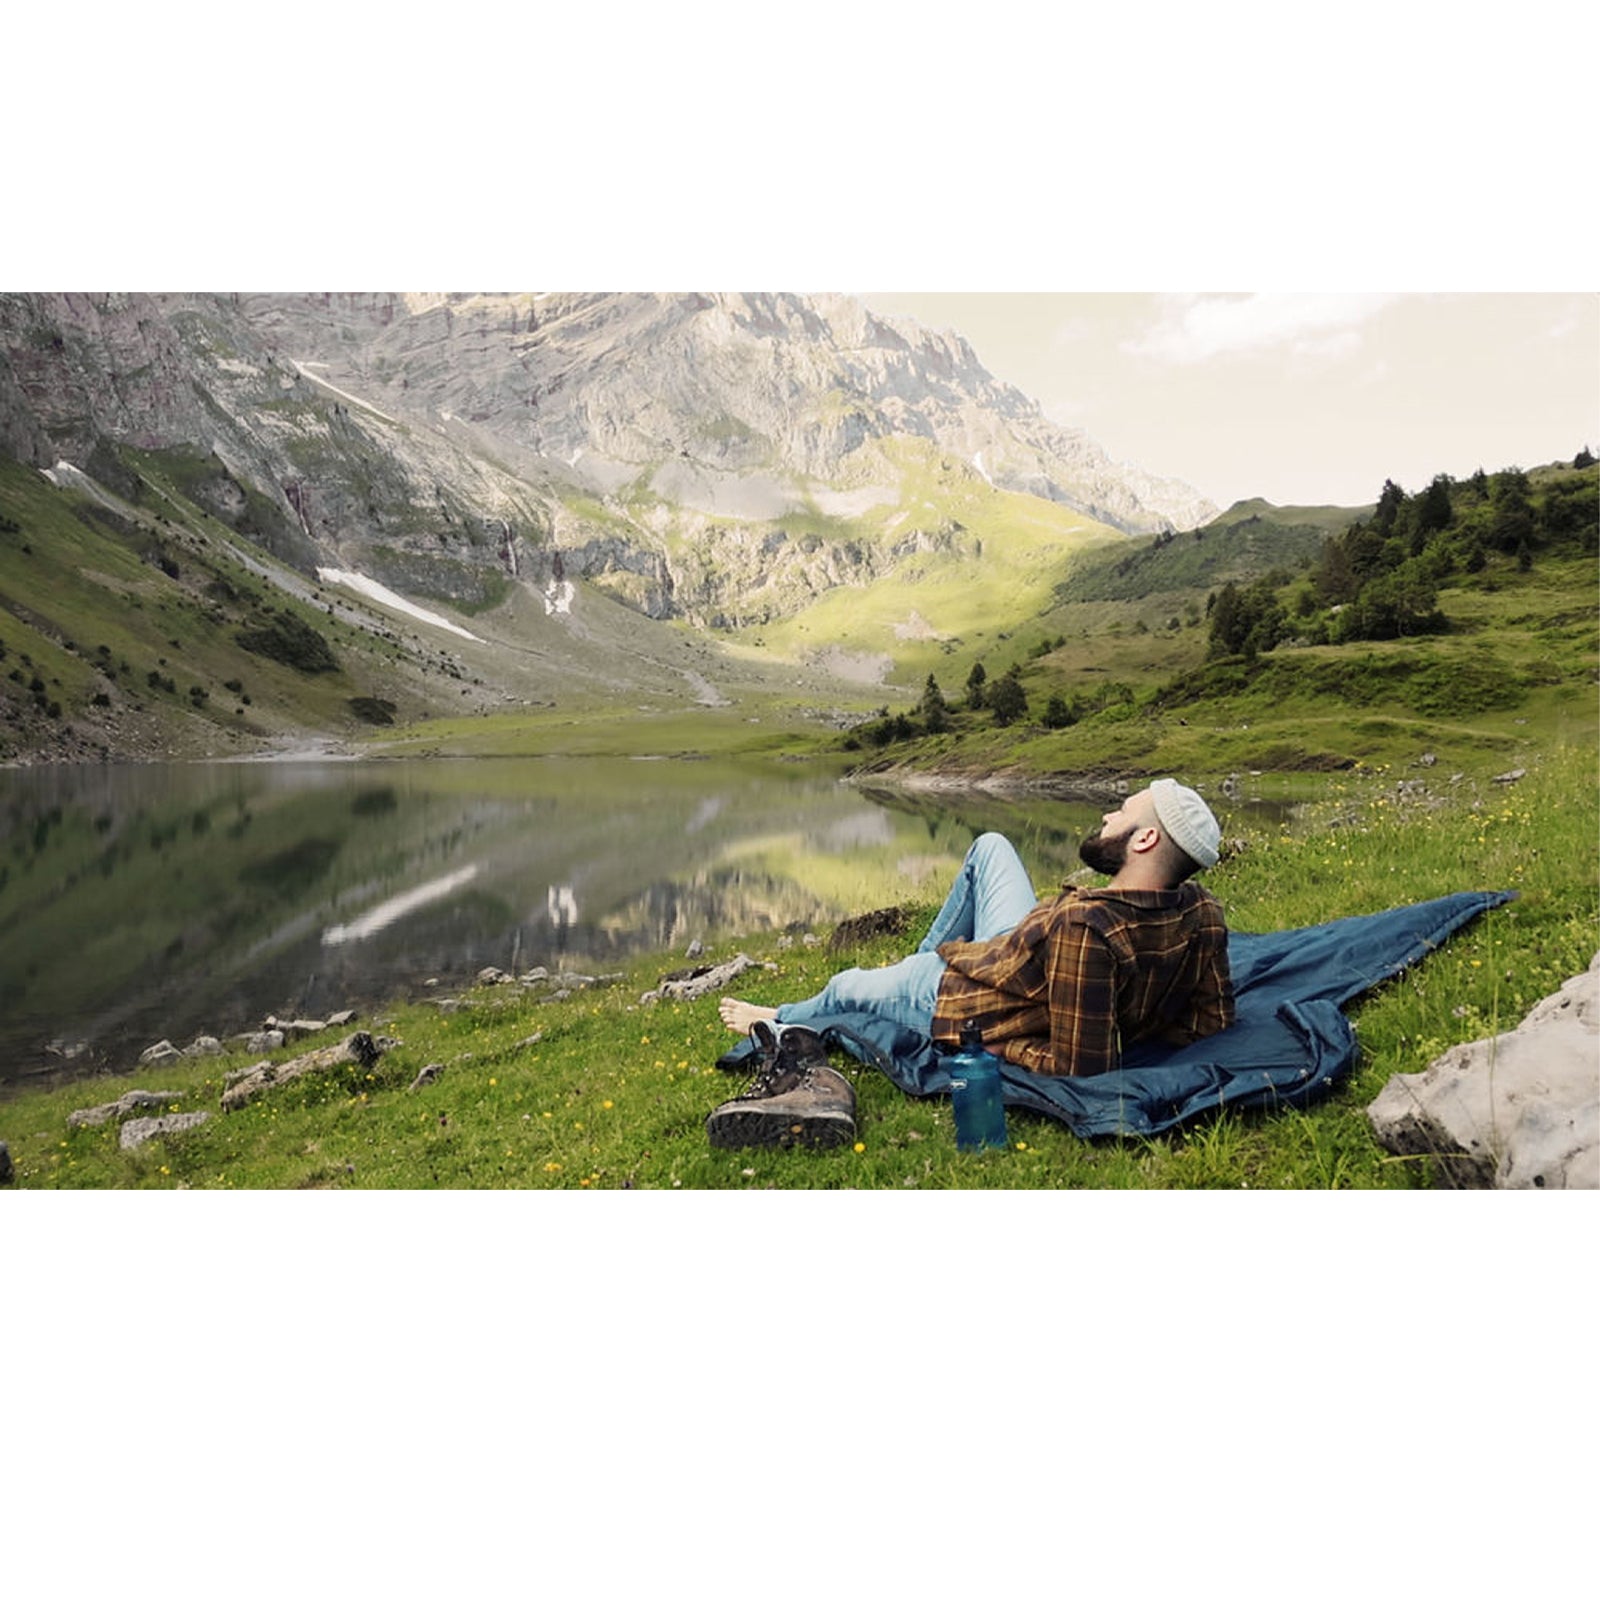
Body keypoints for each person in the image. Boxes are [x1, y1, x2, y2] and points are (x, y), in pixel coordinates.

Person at [717, 779, 1234, 1080]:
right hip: (1013, 956)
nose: (1105, 814)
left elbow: (1082, 1068)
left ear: (1144, 840)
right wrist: (1145, 1013)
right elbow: (1210, 1024)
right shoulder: (1203, 911)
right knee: (989, 846)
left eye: (1120, 811)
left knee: (844, 986)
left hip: (964, 1000)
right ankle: (908, 968)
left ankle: (781, 1019)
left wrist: (999, 1049)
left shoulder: (1088, 929)